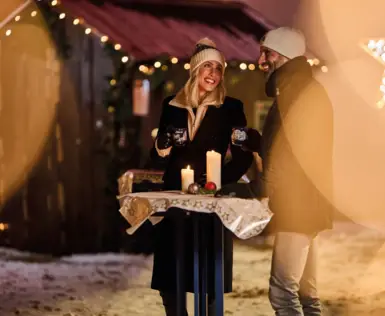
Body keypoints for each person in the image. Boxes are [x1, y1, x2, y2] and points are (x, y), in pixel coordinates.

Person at [150, 38, 253, 316]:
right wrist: (163, 142)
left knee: (208, 274)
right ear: (195, 70)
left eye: (218, 68)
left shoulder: (231, 107)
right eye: (207, 66)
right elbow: (159, 154)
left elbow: (243, 156)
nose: (213, 74)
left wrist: (217, 182)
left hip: (210, 199)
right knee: (170, 275)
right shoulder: (172, 105)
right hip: (175, 197)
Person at [253, 27, 334, 316]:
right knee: (306, 294)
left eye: (268, 53)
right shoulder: (297, 87)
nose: (263, 60)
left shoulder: (297, 90)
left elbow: (295, 151)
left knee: (283, 292)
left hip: (298, 203)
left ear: (285, 55)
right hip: (306, 201)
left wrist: (272, 189)